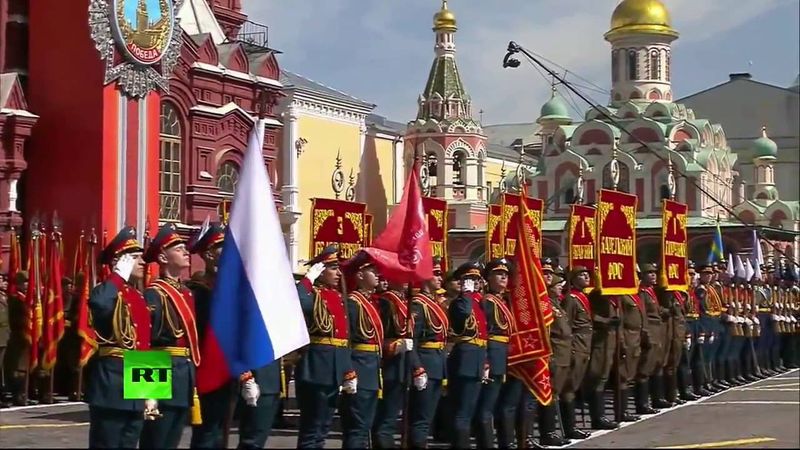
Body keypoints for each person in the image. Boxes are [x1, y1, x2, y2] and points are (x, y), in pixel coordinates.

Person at [85, 227, 152, 448]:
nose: (143, 262)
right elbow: (100, 304)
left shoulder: (139, 296)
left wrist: (151, 391)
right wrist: (117, 276)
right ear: (119, 261)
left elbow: (144, 344)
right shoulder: (105, 290)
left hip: (137, 382)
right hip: (112, 384)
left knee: (130, 443)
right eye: (135, 257)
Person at [140, 224, 201, 450]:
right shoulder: (153, 294)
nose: (185, 252)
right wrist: (146, 391)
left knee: (172, 441)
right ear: (163, 258)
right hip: (161, 371)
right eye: (178, 248)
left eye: (184, 248)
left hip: (183, 375)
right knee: (155, 441)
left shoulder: (186, 293)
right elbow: (144, 342)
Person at [295, 245, 354, 449]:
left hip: (335, 369)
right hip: (316, 369)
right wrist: (307, 280)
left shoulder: (337, 297)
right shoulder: (313, 294)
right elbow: (297, 301)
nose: (338, 274)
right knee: (311, 428)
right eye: (333, 269)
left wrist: (348, 369)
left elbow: (344, 338)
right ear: (320, 271)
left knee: (323, 429)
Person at [188, 223, 230, 449]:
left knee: (217, 435)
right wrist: (148, 393)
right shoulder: (192, 293)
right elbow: (147, 343)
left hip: (221, 372)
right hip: (189, 375)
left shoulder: (224, 290)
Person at [340, 251, 383, 448]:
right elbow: (346, 341)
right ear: (359, 275)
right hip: (359, 368)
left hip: (372, 369)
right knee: (356, 428)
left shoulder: (371, 301)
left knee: (365, 427)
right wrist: (348, 371)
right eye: (372, 271)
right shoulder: (352, 303)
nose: (378, 275)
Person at [448, 261, 489, 449]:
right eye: (470, 279)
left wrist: (485, 362)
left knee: (470, 410)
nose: (476, 282)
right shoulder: (459, 302)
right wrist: (465, 293)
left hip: (478, 358)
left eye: (477, 279)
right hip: (465, 359)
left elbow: (484, 333)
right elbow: (464, 314)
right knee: (462, 412)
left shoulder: (478, 302)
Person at [372, 275, 416, 448]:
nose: (405, 279)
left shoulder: (402, 301)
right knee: (386, 415)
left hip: (403, 362)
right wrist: (394, 346)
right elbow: (380, 334)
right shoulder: (386, 301)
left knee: (393, 412)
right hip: (390, 362)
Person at [408, 257, 447, 448]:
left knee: (428, 417)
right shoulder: (419, 304)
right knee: (420, 418)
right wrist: (417, 367)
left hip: (438, 364)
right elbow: (412, 340)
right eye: (436, 274)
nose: (440, 278)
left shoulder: (434, 303)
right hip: (426, 364)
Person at [474, 258, 513, 448]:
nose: (503, 277)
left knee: (502, 403)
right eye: (499, 274)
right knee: (486, 406)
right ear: (488, 278)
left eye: (505, 274)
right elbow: (485, 332)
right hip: (493, 353)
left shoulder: (503, 300)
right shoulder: (488, 301)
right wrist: (486, 360)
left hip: (505, 354)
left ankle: (506, 441)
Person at [537, 259, 569, 446]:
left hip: (560, 352)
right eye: (544, 272)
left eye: (550, 273)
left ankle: (552, 430)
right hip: (550, 353)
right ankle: (547, 432)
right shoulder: (539, 300)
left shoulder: (552, 302)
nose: (548, 276)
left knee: (554, 392)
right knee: (547, 393)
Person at [559, 266, 593, 440]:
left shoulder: (583, 296)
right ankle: (570, 427)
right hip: (576, 345)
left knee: (575, 385)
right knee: (569, 387)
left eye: (587, 274)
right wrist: (571, 349)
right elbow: (568, 326)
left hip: (584, 344)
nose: (586, 277)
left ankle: (573, 426)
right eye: (582, 274)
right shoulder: (571, 299)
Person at [614, 266, 645, 422]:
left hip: (636, 337)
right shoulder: (623, 297)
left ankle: (628, 409)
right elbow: (620, 322)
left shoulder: (636, 296)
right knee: (624, 376)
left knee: (631, 374)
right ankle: (622, 411)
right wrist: (621, 341)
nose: (638, 280)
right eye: (635, 276)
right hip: (627, 337)